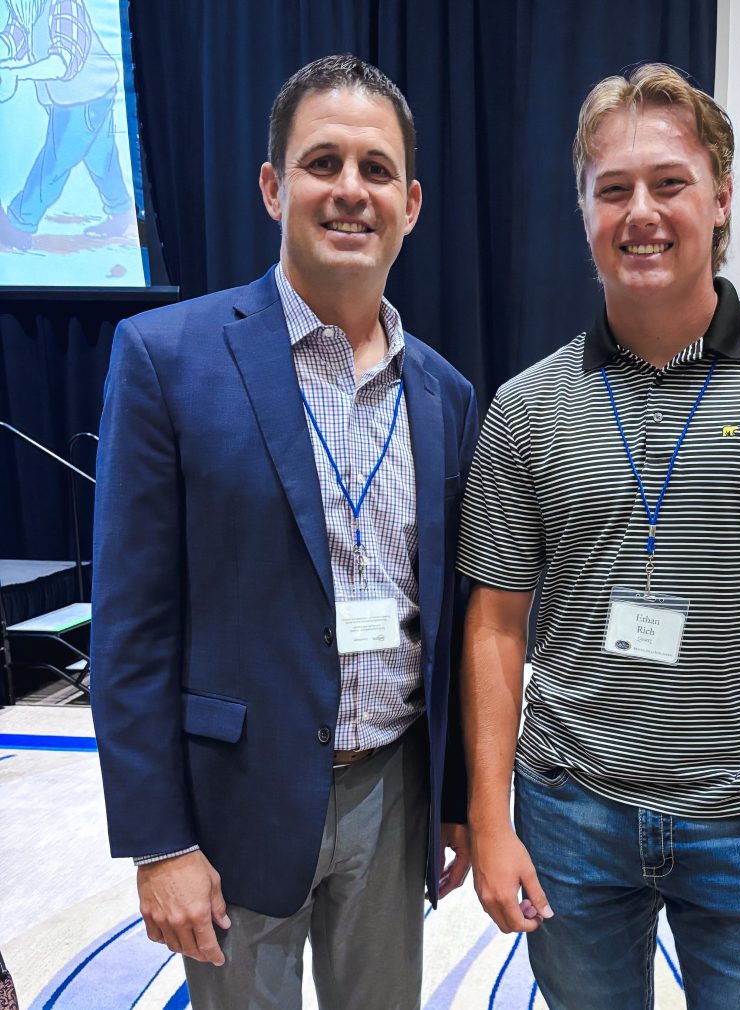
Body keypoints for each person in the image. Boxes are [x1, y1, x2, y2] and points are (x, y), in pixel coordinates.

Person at [457, 63, 740, 1010]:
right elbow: (496, 625)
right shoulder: (526, 407)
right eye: (611, 190)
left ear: (722, 197)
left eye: (669, 183)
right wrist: (490, 820)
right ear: (582, 211)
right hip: (569, 815)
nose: (641, 213)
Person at [91, 54, 477, 1010]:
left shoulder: (445, 391)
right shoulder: (166, 359)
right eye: (323, 163)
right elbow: (131, 627)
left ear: (412, 203)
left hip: (394, 798)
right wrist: (160, 842)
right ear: (273, 186)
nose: (351, 191)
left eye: (376, 170)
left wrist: (460, 802)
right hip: (232, 807)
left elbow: (457, 620)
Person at [0, 0, 135, 250]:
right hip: (81, 95)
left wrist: (17, 72)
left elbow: (64, 61)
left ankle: (20, 224)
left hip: (83, 98)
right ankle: (121, 213)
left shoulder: (63, 5)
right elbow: (13, 38)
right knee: (101, 159)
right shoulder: (27, 8)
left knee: (55, 161)